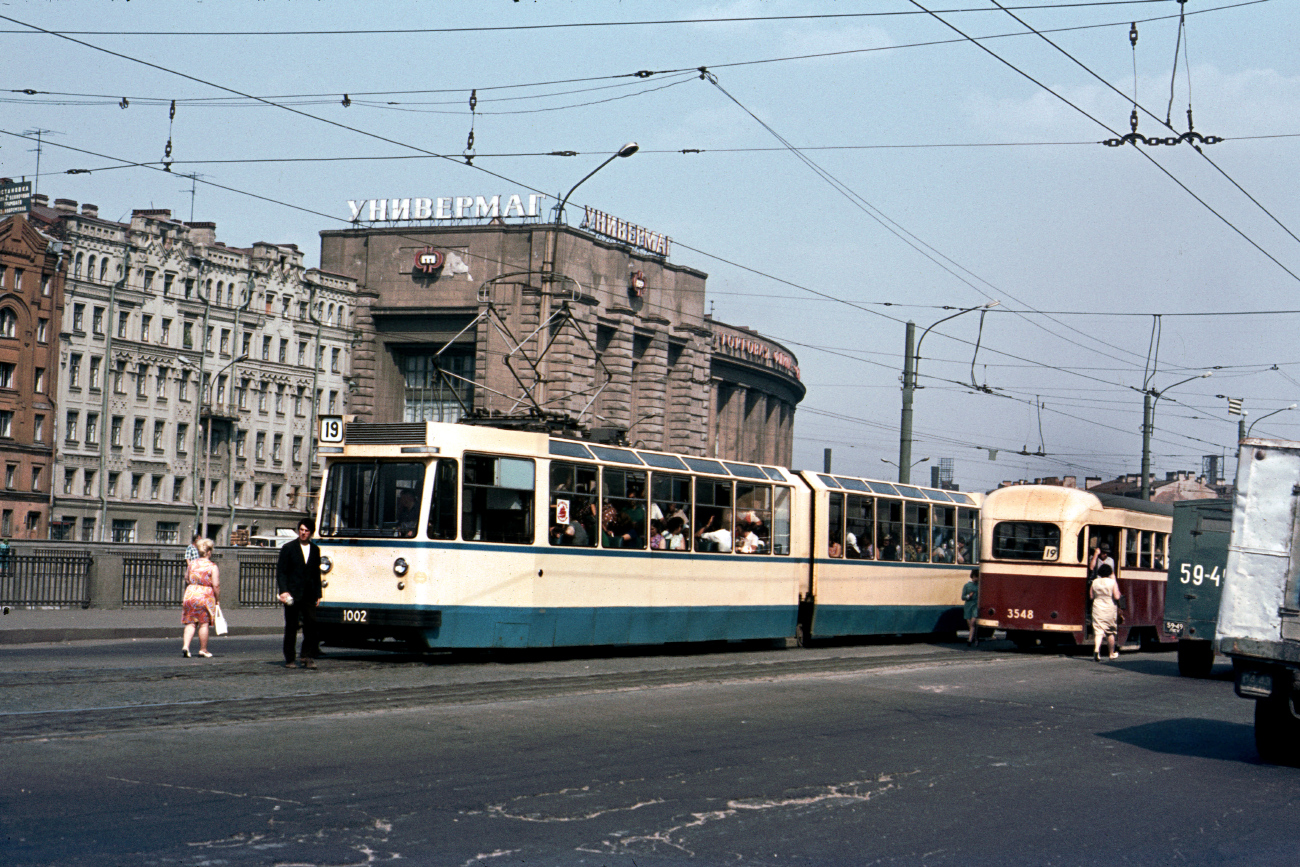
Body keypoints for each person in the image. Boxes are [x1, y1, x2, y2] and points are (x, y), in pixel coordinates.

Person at [277, 518, 323, 669]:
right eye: (301, 530)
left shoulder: (315, 550)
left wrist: (318, 593)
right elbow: (281, 572)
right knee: (291, 626)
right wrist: (283, 591)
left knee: (311, 625)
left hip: (309, 594)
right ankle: (290, 658)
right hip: (292, 593)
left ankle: (306, 656)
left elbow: (316, 573)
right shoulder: (289, 548)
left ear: (311, 533)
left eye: (306, 531)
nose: (303, 533)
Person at [181, 537, 220, 658]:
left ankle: (186, 646)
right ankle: (203, 649)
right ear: (209, 551)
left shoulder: (192, 564)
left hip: (191, 593)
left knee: (190, 623)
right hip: (205, 595)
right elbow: (216, 585)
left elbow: (187, 578)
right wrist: (217, 599)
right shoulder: (212, 566)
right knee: (203, 623)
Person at [1090, 562, 1122, 661]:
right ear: (1109, 572)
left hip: (1097, 607)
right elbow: (1117, 596)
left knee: (1098, 631)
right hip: (1109, 608)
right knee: (1110, 632)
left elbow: (1091, 596)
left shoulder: (1095, 582)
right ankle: (1111, 653)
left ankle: (1096, 650)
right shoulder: (1112, 582)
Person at [962, 569, 980, 647]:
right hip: (968, 606)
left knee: (973, 622)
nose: (977, 579)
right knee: (970, 624)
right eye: (977, 577)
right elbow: (963, 597)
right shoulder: (967, 586)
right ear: (973, 576)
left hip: (976, 605)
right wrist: (968, 596)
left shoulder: (980, 585)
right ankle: (975, 638)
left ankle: (969, 640)